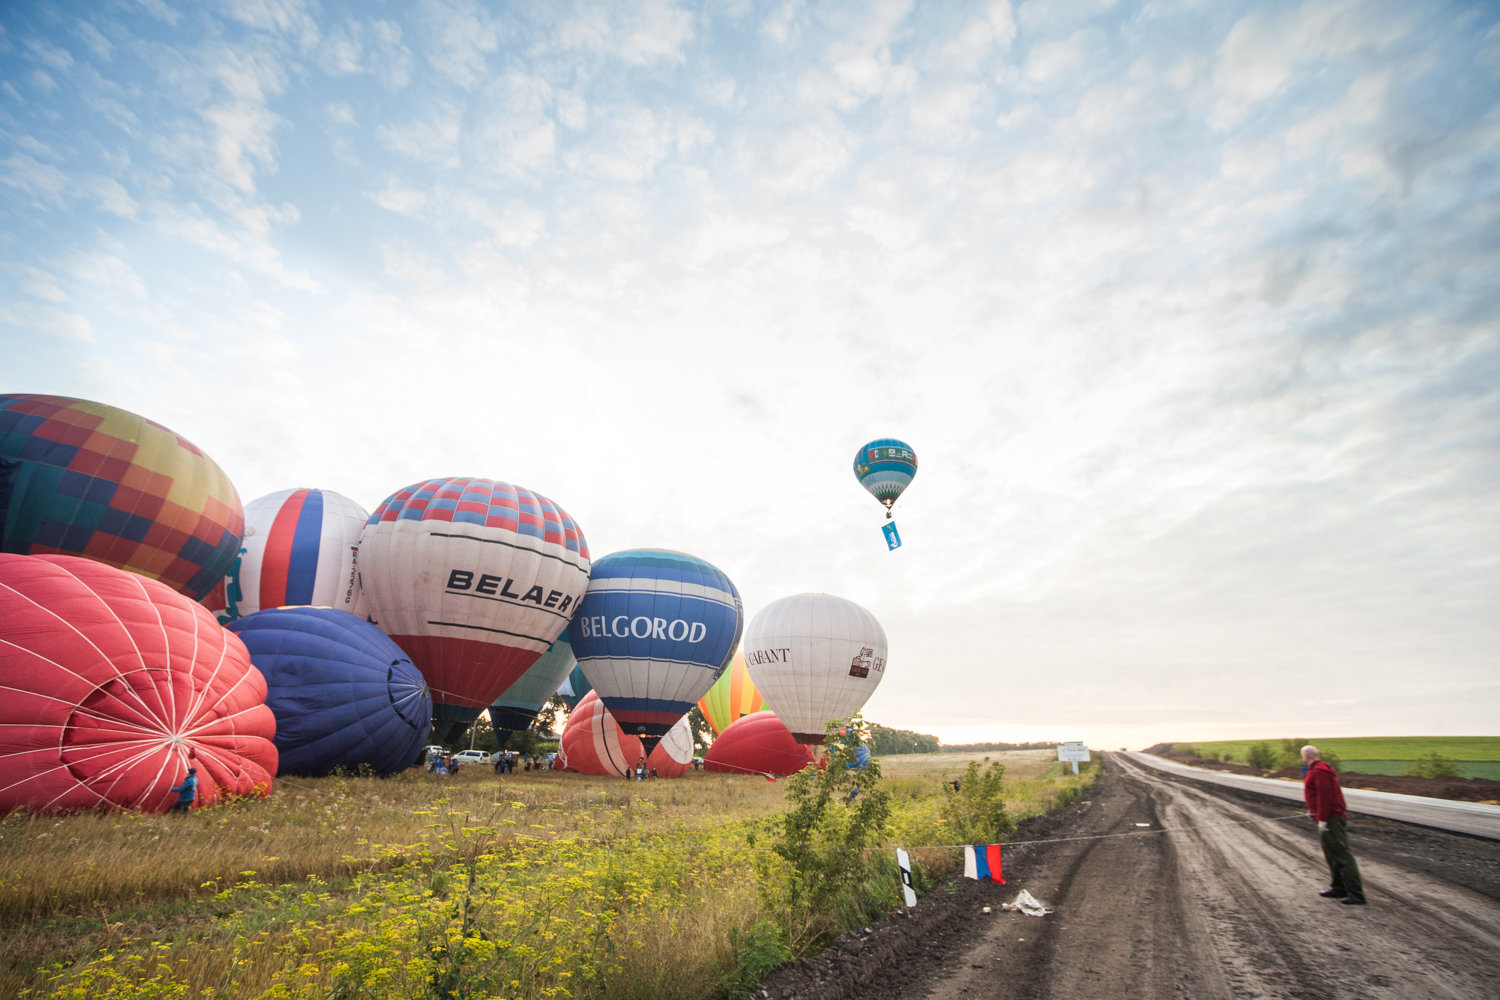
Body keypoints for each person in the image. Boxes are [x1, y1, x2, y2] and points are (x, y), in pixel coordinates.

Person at [1302, 745, 1366, 905]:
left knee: (1341, 853)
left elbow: (1325, 798)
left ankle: (1356, 893)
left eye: (1303, 756)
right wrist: (1314, 812)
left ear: (1306, 756)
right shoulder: (1316, 770)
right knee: (1331, 854)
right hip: (1326, 817)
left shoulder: (1320, 771)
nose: (1302, 758)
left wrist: (1323, 819)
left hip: (1331, 818)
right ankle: (1339, 887)